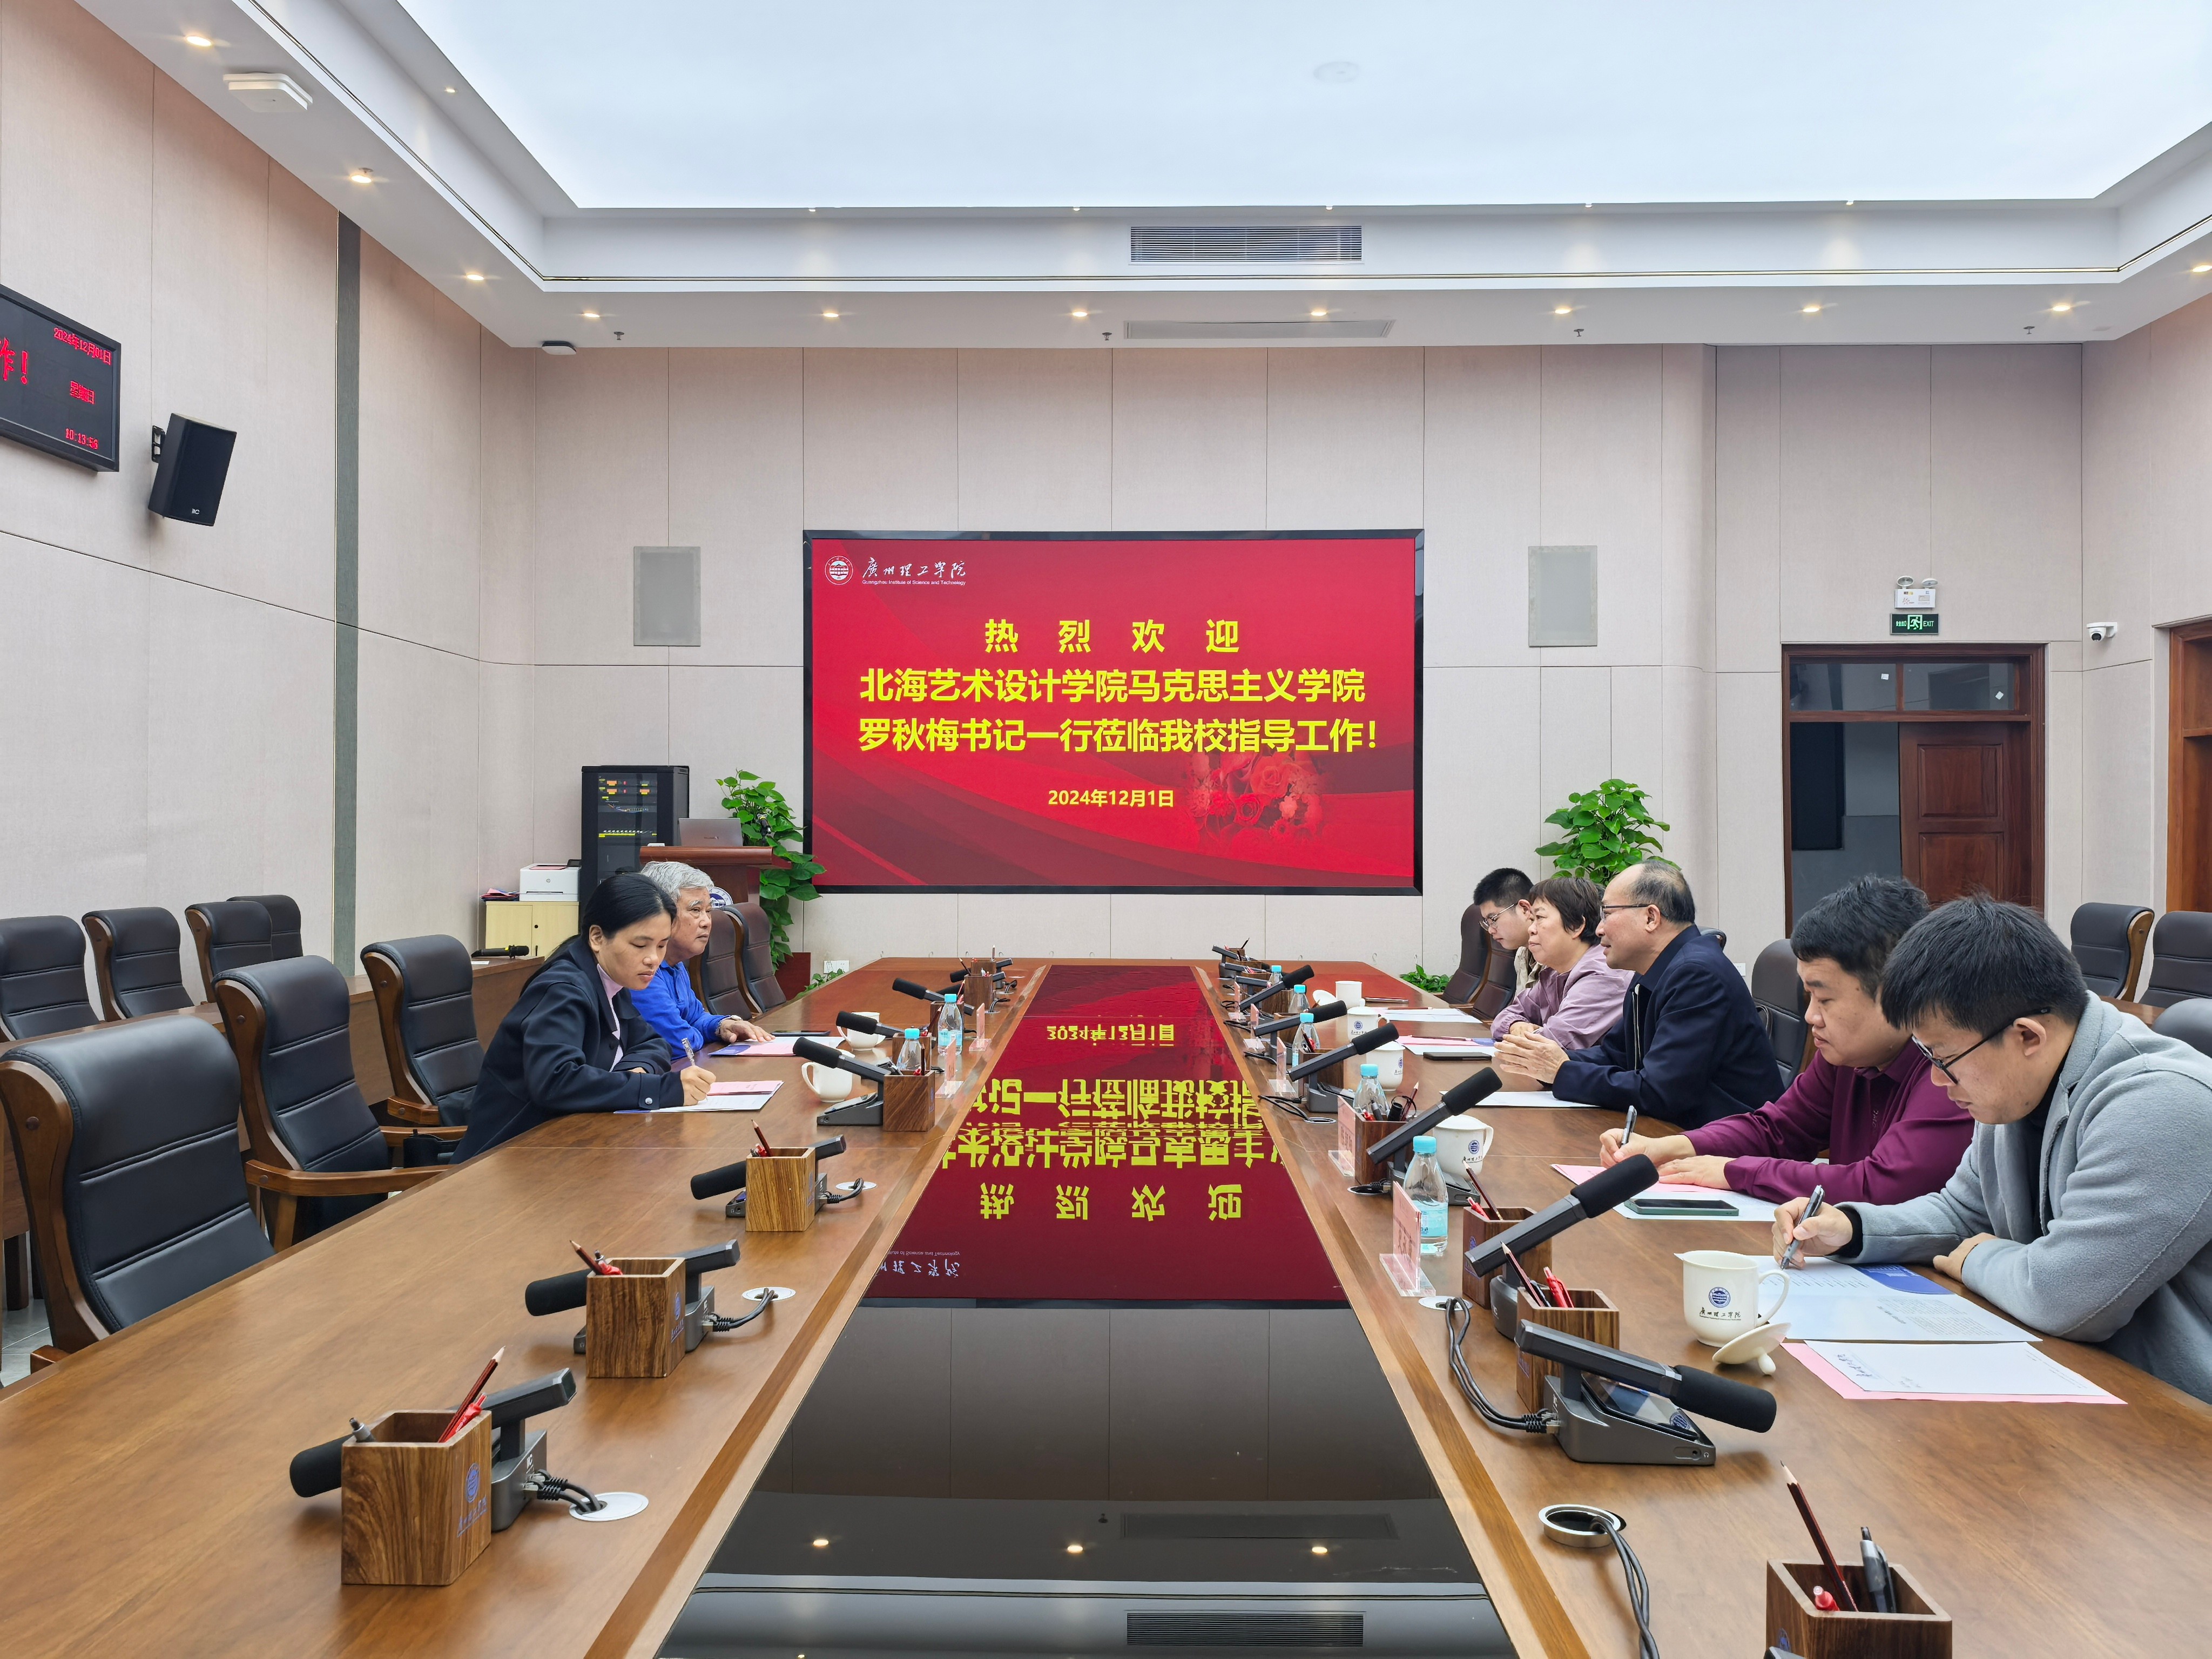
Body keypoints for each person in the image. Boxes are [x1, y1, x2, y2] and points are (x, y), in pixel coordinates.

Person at [1773, 895, 2212, 1405]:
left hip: (2179, 1417)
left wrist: (1979, 1257)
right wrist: (1852, 1228)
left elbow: (2064, 1298)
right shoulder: (2016, 1086)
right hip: (2085, 1381)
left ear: (2027, 1036)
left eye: (1945, 1058)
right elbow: (1963, 1212)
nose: (1938, 1080)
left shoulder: (2163, 1102)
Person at [1597, 874, 1972, 1204]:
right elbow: (1779, 1128)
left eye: (1825, 1000)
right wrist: (1671, 1147)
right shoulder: (1847, 1056)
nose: (1811, 1018)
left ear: (1897, 992)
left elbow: (1882, 1185)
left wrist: (1734, 1172)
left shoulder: (1951, 1070)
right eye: (1809, 999)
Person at [1495, 860, 1779, 1129]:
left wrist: (1561, 1071)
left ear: (1651, 918)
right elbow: (1618, 1055)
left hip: (1727, 1143)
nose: (1599, 929)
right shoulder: (1654, 969)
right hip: (1676, 1130)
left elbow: (1660, 1091)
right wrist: (1551, 1060)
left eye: (1608, 914)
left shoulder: (1697, 975)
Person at [457, 873, 717, 1159]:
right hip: (509, 1155)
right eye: (640, 945)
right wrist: (660, 1088)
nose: (653, 959)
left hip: (569, 1142)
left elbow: (653, 1043)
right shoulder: (562, 990)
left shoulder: (614, 980)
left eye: (661, 945)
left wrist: (634, 1072)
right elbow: (556, 1081)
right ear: (597, 938)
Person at [634, 860, 772, 1055]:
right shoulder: (643, 968)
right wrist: (697, 1033)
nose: (707, 922)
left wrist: (722, 1026)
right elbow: (680, 1044)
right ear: (660, 912)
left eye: (709, 911)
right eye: (696, 910)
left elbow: (696, 1018)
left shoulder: (675, 963)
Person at [1487, 875, 1631, 1051]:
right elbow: (1504, 1017)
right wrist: (1516, 1025)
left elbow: (1550, 1045)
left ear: (1576, 925)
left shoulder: (1603, 975)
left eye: (1540, 917)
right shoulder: (1556, 972)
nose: (1531, 929)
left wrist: (1526, 1034)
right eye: (1532, 920)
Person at [1473, 867, 1538, 996]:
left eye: (1493, 919)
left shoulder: (1556, 957)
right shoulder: (1522, 955)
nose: (1491, 930)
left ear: (1525, 909)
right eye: (1487, 922)